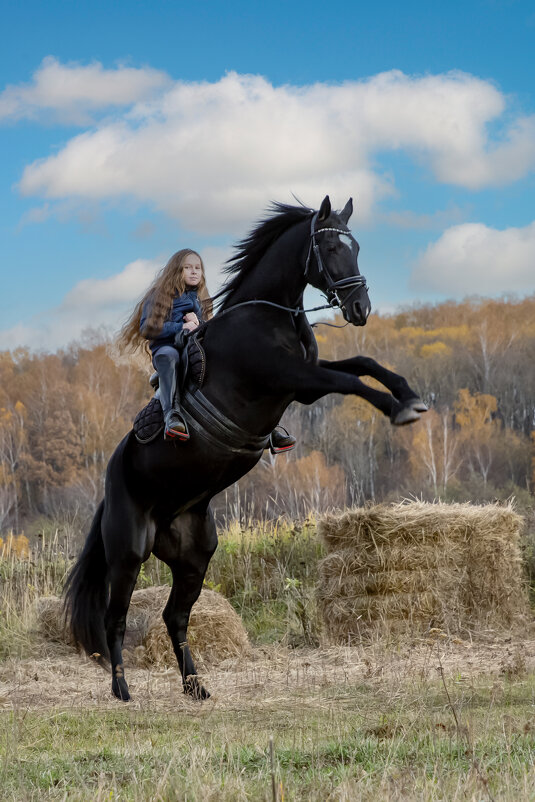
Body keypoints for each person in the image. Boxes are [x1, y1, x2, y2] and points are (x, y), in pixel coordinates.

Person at [119, 248, 296, 450]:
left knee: (236, 360)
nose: (194, 272)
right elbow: (148, 328)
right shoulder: (159, 295)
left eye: (198, 268)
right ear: (176, 271)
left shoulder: (200, 299)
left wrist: (201, 323)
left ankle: (266, 427)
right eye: (188, 268)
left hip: (196, 348)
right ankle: (171, 415)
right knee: (170, 357)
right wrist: (182, 327)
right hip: (167, 349)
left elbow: (207, 330)